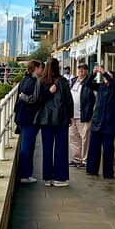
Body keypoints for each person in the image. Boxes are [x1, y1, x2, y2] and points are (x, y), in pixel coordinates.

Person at [35, 57, 73, 187]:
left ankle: (47, 177)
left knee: (47, 148)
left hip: (45, 119)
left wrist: (48, 93)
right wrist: (71, 116)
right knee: (61, 148)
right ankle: (59, 177)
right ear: (58, 67)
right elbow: (68, 100)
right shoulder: (62, 81)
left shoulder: (41, 82)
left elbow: (38, 100)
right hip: (61, 118)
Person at [86, 65, 115, 179]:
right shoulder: (101, 87)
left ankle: (108, 172)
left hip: (109, 123)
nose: (106, 78)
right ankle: (92, 169)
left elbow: (113, 84)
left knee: (108, 149)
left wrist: (104, 72)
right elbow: (88, 84)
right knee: (94, 147)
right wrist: (93, 74)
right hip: (97, 120)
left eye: (109, 76)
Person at [13, 60, 44, 184]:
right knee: (27, 147)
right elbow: (34, 99)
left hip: (22, 117)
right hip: (30, 119)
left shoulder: (24, 80)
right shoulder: (34, 81)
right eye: (41, 67)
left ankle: (26, 173)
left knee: (27, 146)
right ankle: (25, 174)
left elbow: (20, 97)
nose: (42, 70)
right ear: (36, 68)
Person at [68, 63, 95, 167]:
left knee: (85, 138)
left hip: (83, 115)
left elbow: (92, 99)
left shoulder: (89, 82)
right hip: (72, 115)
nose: (81, 71)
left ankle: (85, 160)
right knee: (73, 137)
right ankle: (76, 158)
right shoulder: (73, 81)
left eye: (83, 69)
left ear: (87, 71)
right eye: (79, 68)